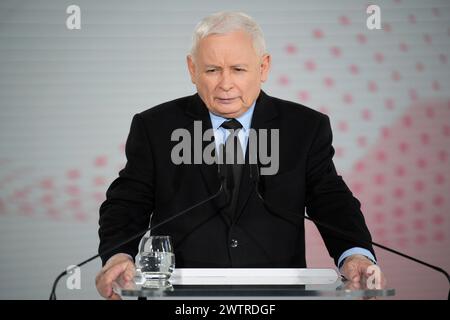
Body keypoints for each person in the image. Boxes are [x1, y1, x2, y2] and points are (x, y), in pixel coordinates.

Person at [95, 11, 384, 300]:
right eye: (212, 70)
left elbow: (331, 200)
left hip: (276, 297)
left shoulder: (304, 128)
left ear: (264, 67)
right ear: (192, 69)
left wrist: (355, 255)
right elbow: (128, 202)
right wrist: (119, 254)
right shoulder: (155, 127)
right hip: (181, 298)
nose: (225, 83)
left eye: (238, 69)